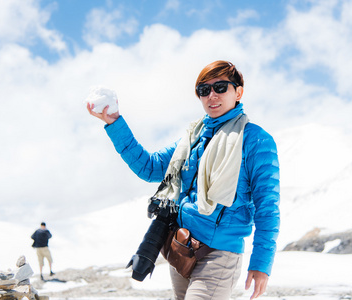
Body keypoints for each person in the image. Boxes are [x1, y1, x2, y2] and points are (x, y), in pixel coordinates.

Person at [87, 60, 280, 300]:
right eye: (204, 90)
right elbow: (149, 167)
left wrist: (261, 264)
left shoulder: (256, 141)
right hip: (183, 246)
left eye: (221, 87)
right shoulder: (193, 138)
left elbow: (267, 207)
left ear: (238, 92)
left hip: (221, 254)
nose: (212, 95)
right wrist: (114, 122)